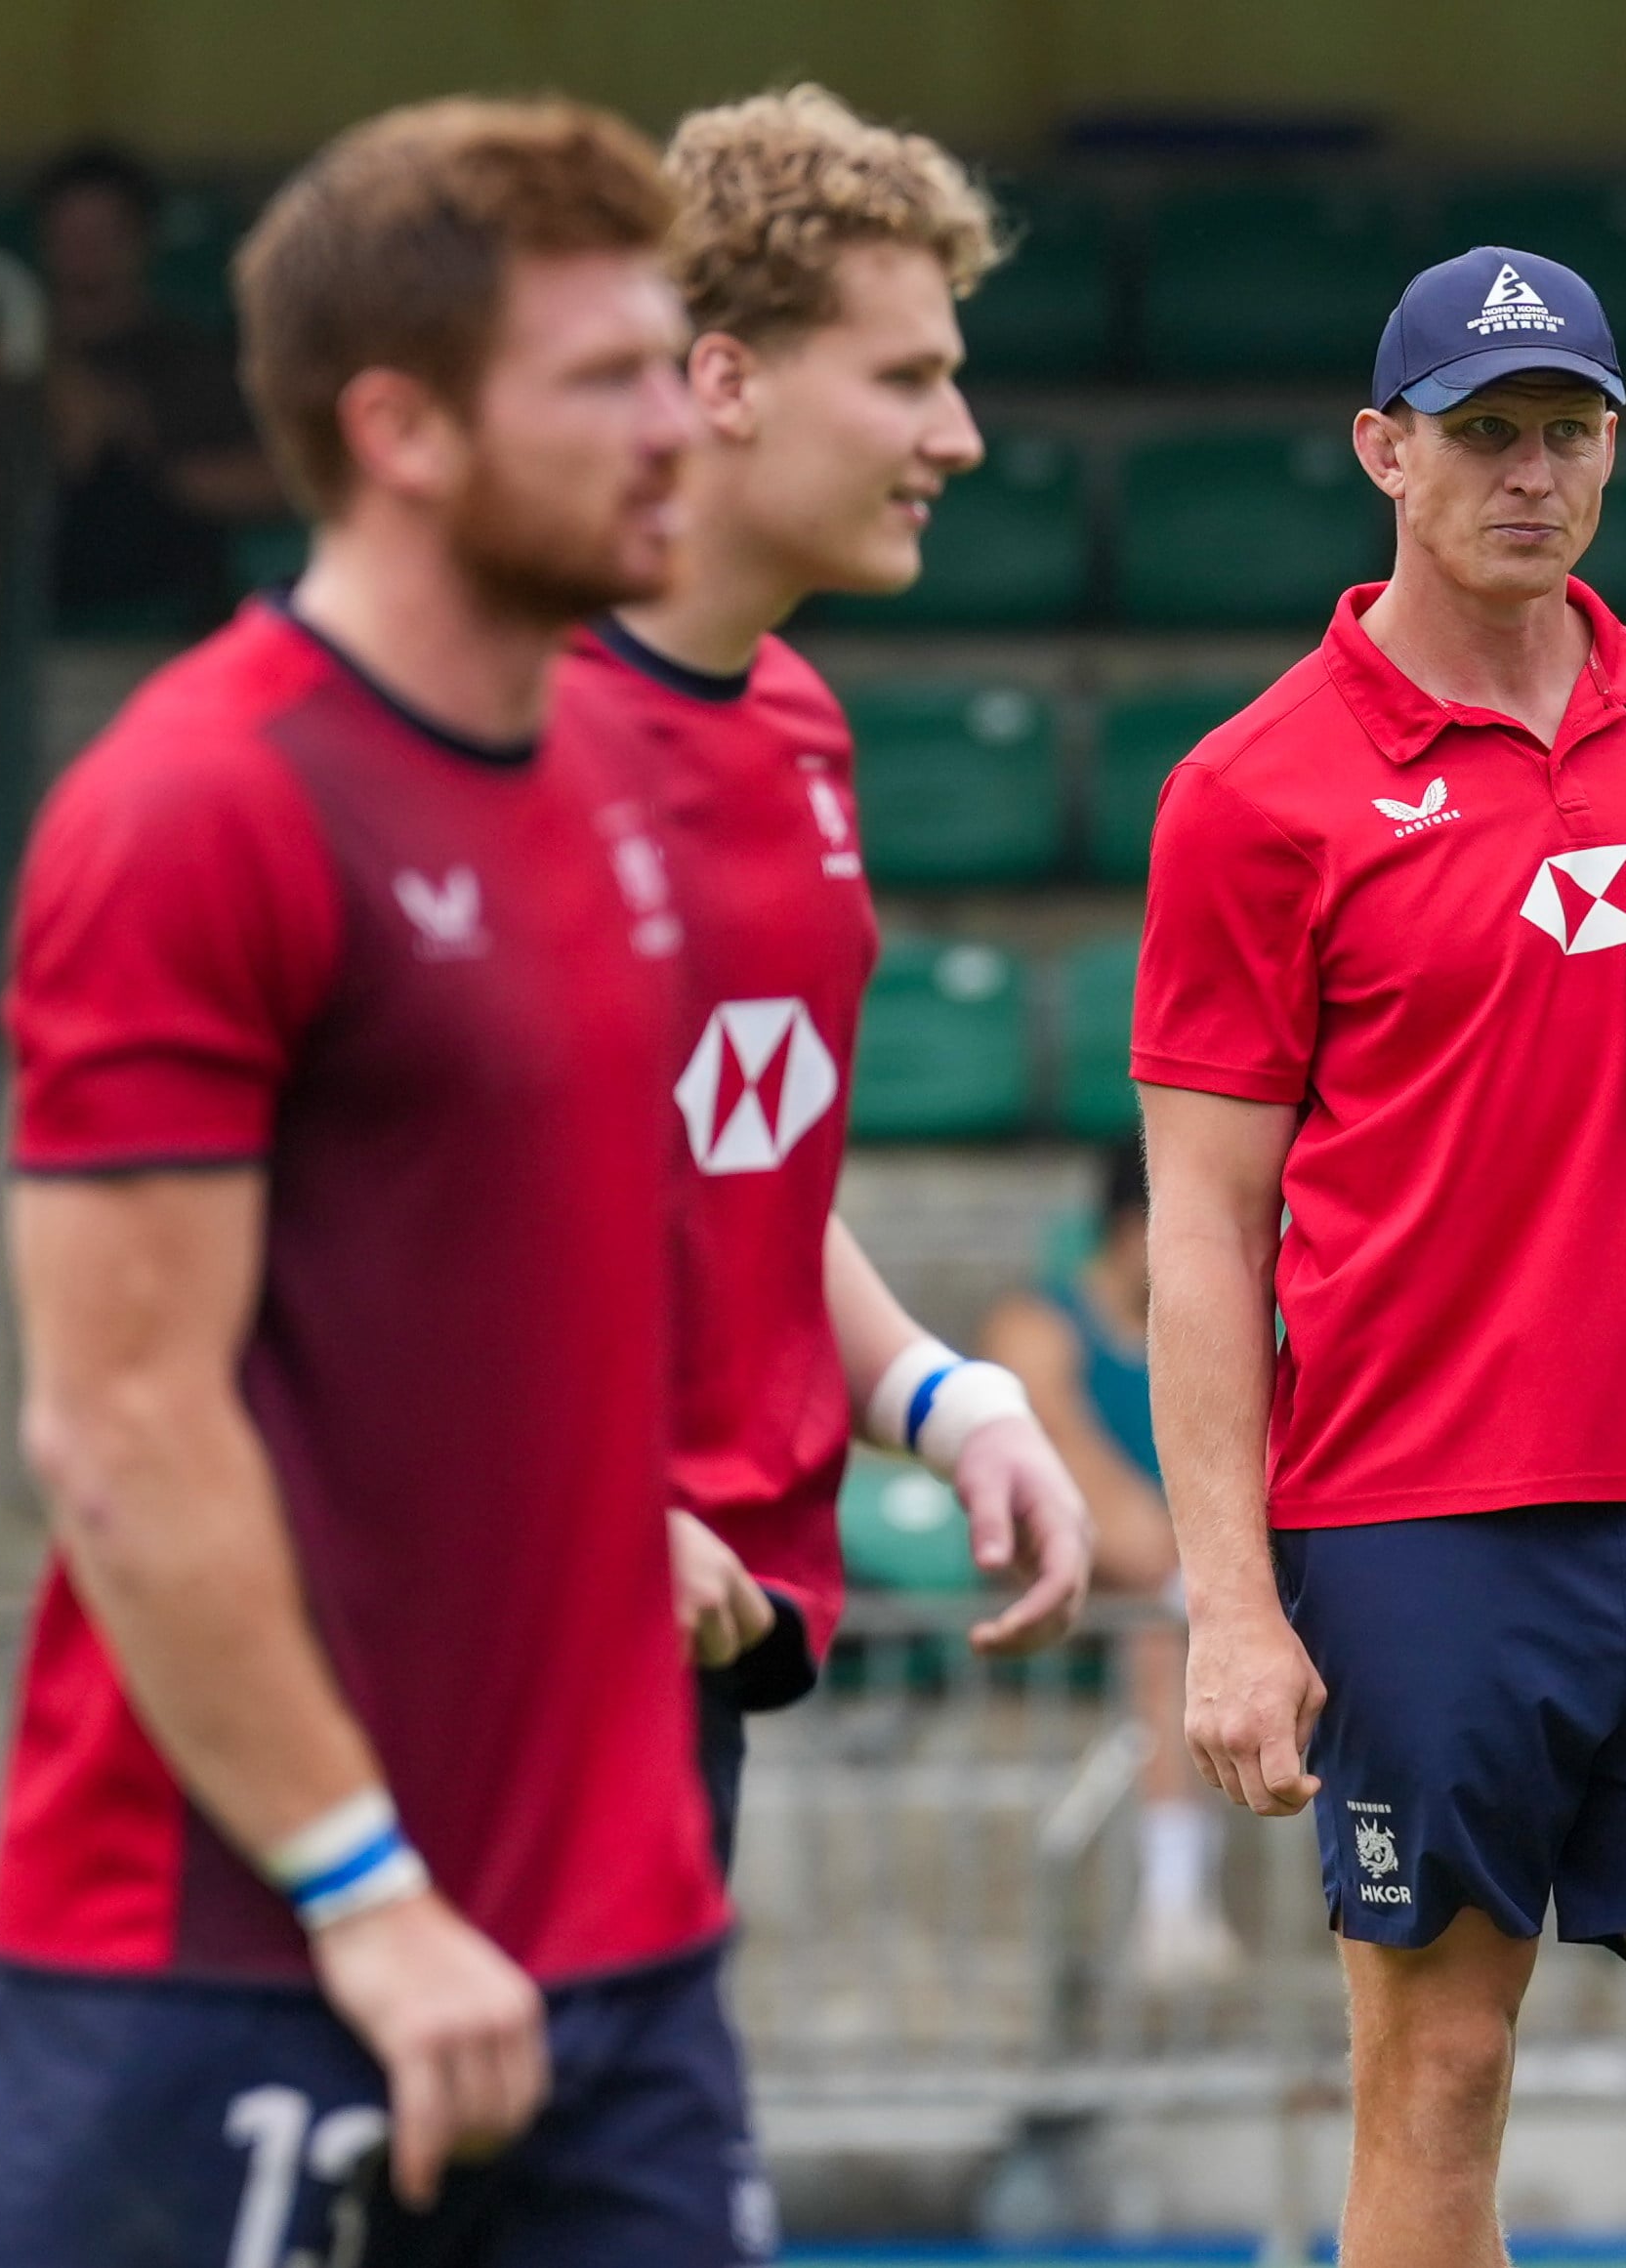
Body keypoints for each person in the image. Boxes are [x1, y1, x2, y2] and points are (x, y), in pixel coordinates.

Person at [0, 98, 770, 2261]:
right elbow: (121, 1427)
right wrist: (367, 1887)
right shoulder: (192, 807)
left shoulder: (616, 772)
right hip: (238, 1952)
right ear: (403, 429)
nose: (671, 432)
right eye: (603, 381)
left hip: (619, 1957)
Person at [1135, 246, 1626, 2268]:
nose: (1532, 473)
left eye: (1569, 432)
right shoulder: (1253, 791)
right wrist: (1230, 1608)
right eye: (1485, 433)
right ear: (1380, 450)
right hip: (1417, 1529)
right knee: (1435, 2088)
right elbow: (1207, 1237)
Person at [561, 82, 1092, 1876]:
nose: (955, 435)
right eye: (903, 377)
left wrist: (948, 1399)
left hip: (711, 1613)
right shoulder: (492, 723)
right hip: (496, 1619)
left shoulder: (795, 722)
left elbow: (739, 1161)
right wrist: (580, 1500)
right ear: (721, 381)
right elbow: (361, 1229)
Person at [980, 1142, 1241, 1987]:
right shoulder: (1037, 1326)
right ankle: (1173, 1903)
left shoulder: (1222, 1329)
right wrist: (1209, 1573)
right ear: (1139, 1229)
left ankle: (1176, 1904)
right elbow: (1068, 1473)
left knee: (1173, 1625)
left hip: (1179, 1591)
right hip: (1064, 1578)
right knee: (1173, 1617)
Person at [29, 141, 283, 626]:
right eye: (70, 232)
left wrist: (131, 436)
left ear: (142, 238)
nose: (86, 251)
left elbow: (275, 482)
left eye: (105, 232)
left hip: (166, 574)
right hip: (16, 584)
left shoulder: (190, 357)